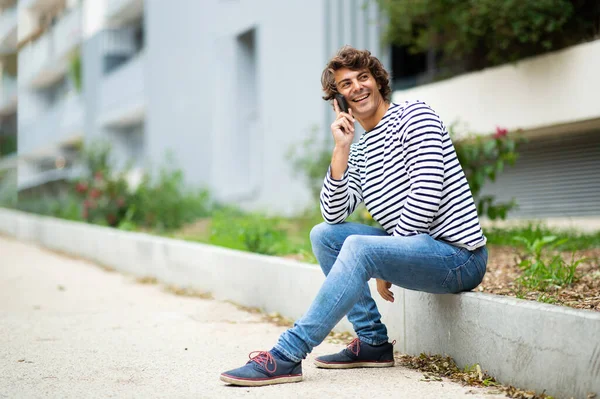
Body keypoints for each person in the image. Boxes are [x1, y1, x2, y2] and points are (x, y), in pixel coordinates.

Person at [220, 46, 487, 387]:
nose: (358, 87)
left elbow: (426, 193)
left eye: (364, 78)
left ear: (378, 82)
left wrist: (385, 259)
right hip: (413, 249)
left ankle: (287, 354)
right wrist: (341, 149)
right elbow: (332, 214)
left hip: (459, 258)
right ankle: (372, 342)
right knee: (324, 236)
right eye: (346, 84)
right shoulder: (359, 150)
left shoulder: (415, 116)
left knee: (361, 247)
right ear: (338, 99)